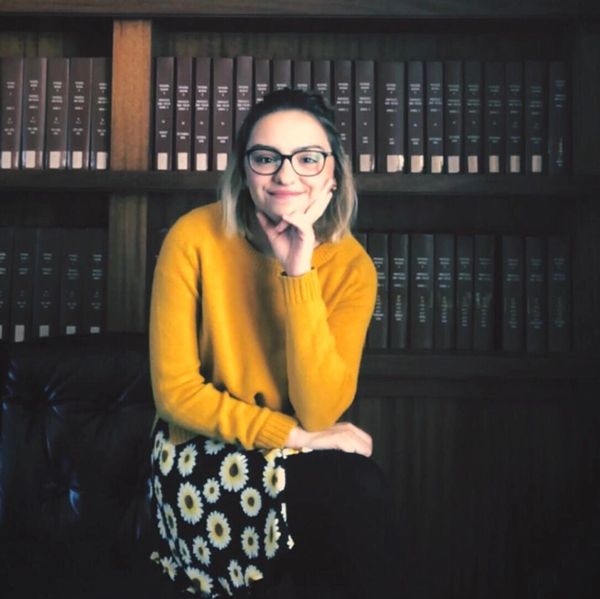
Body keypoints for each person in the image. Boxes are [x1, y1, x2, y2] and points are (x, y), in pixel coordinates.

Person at [148, 88, 398, 598]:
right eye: (267, 158)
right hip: (202, 453)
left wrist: (298, 270)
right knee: (346, 489)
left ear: (333, 173)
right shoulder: (193, 238)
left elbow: (322, 409)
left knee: (350, 493)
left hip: (299, 461)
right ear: (244, 170)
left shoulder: (352, 266)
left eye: (307, 159)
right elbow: (174, 393)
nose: (286, 176)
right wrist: (297, 438)